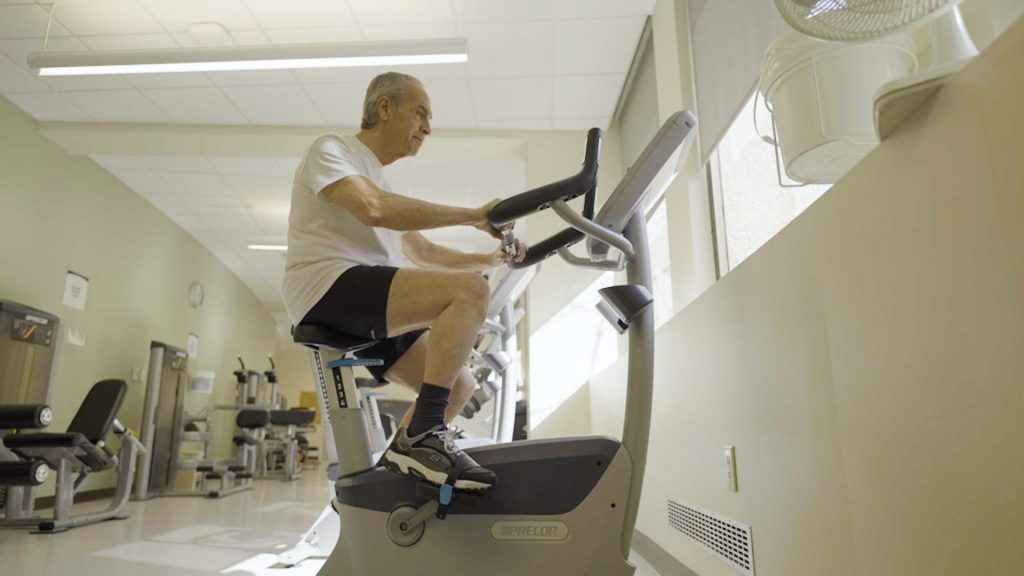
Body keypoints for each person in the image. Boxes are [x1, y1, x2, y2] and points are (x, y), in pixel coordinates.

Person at [282, 72, 526, 491]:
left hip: (364, 298)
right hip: (326, 287)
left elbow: (426, 254)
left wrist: (488, 258)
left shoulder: (380, 181)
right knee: (469, 292)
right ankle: (423, 434)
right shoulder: (333, 149)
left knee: (459, 385)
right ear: (384, 107)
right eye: (420, 114)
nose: (428, 128)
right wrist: (473, 214)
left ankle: (394, 475)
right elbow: (374, 209)